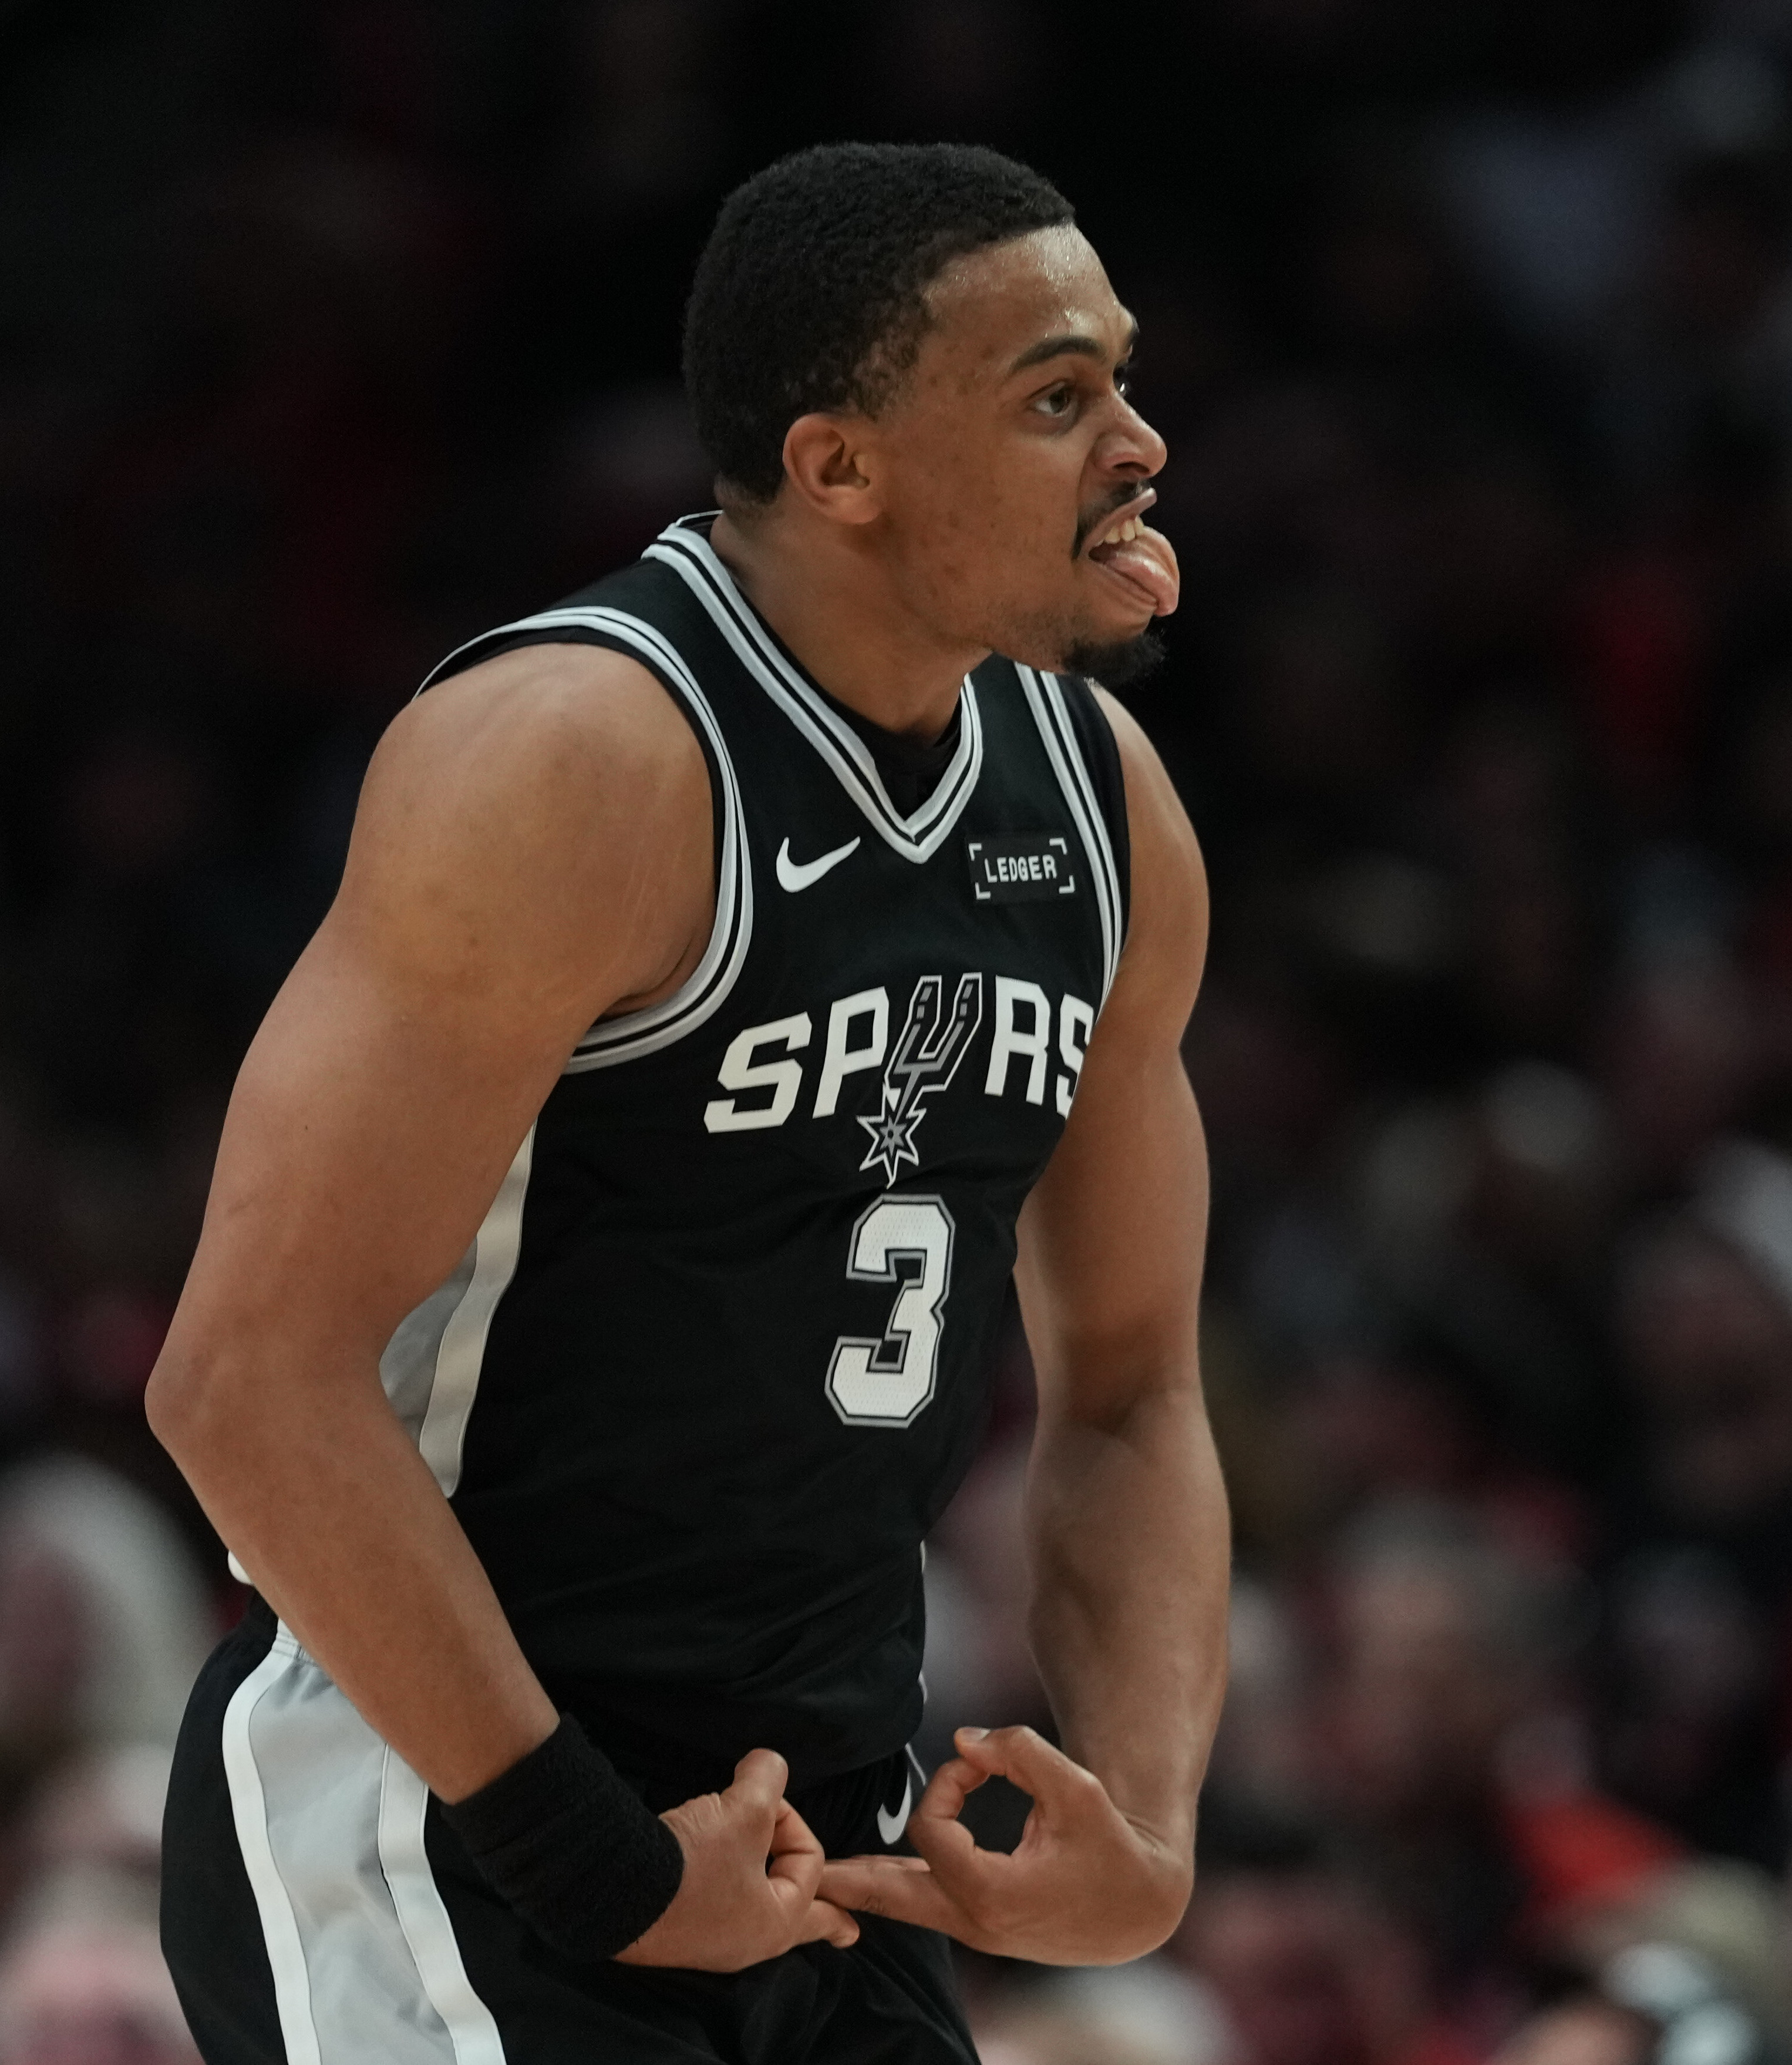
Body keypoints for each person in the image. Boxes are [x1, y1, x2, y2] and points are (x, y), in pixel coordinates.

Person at [148, 141, 1225, 2063]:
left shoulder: (1102, 806)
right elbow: (246, 1380)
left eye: (1120, 383)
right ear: (839, 465)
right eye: (1057, 399)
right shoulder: (580, 755)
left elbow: (1132, 1385)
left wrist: (1144, 1820)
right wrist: (601, 1865)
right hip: (451, 1808)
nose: (1137, 446)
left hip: (822, 1826)